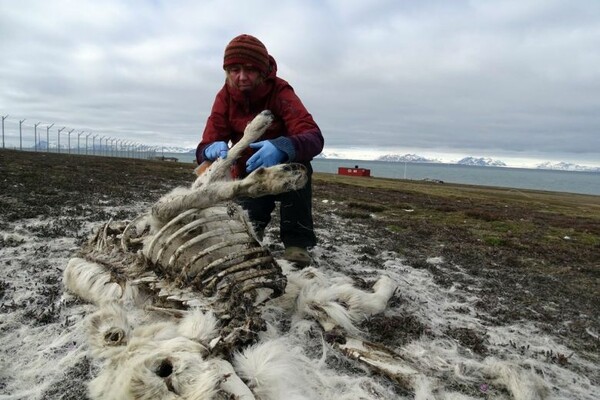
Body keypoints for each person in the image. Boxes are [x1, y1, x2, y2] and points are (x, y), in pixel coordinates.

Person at [196, 34, 324, 267]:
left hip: (284, 168)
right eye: (234, 69)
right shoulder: (224, 97)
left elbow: (313, 137)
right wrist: (207, 150)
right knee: (248, 230)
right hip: (248, 172)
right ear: (226, 71)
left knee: (300, 169)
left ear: (262, 71)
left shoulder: (281, 92)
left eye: (250, 70)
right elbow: (207, 142)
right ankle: (253, 235)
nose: (242, 77)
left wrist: (282, 147)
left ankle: (296, 244)